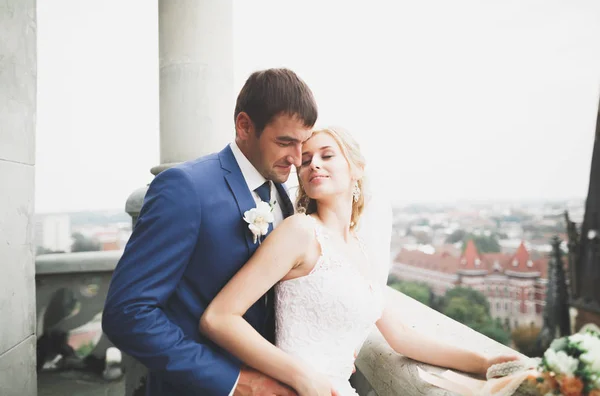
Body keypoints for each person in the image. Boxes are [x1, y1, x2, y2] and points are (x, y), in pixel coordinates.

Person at [199, 127, 519, 396]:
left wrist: (484, 363)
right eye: (306, 160)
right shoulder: (300, 231)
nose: (314, 165)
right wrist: (303, 377)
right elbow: (219, 317)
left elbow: (403, 338)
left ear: (356, 167)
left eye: (327, 155)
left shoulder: (363, 250)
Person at [102, 68, 318, 395]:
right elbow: (127, 313)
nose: (297, 158)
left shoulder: (280, 192)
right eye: (285, 142)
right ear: (244, 126)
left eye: (303, 143)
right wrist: (234, 383)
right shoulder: (185, 188)